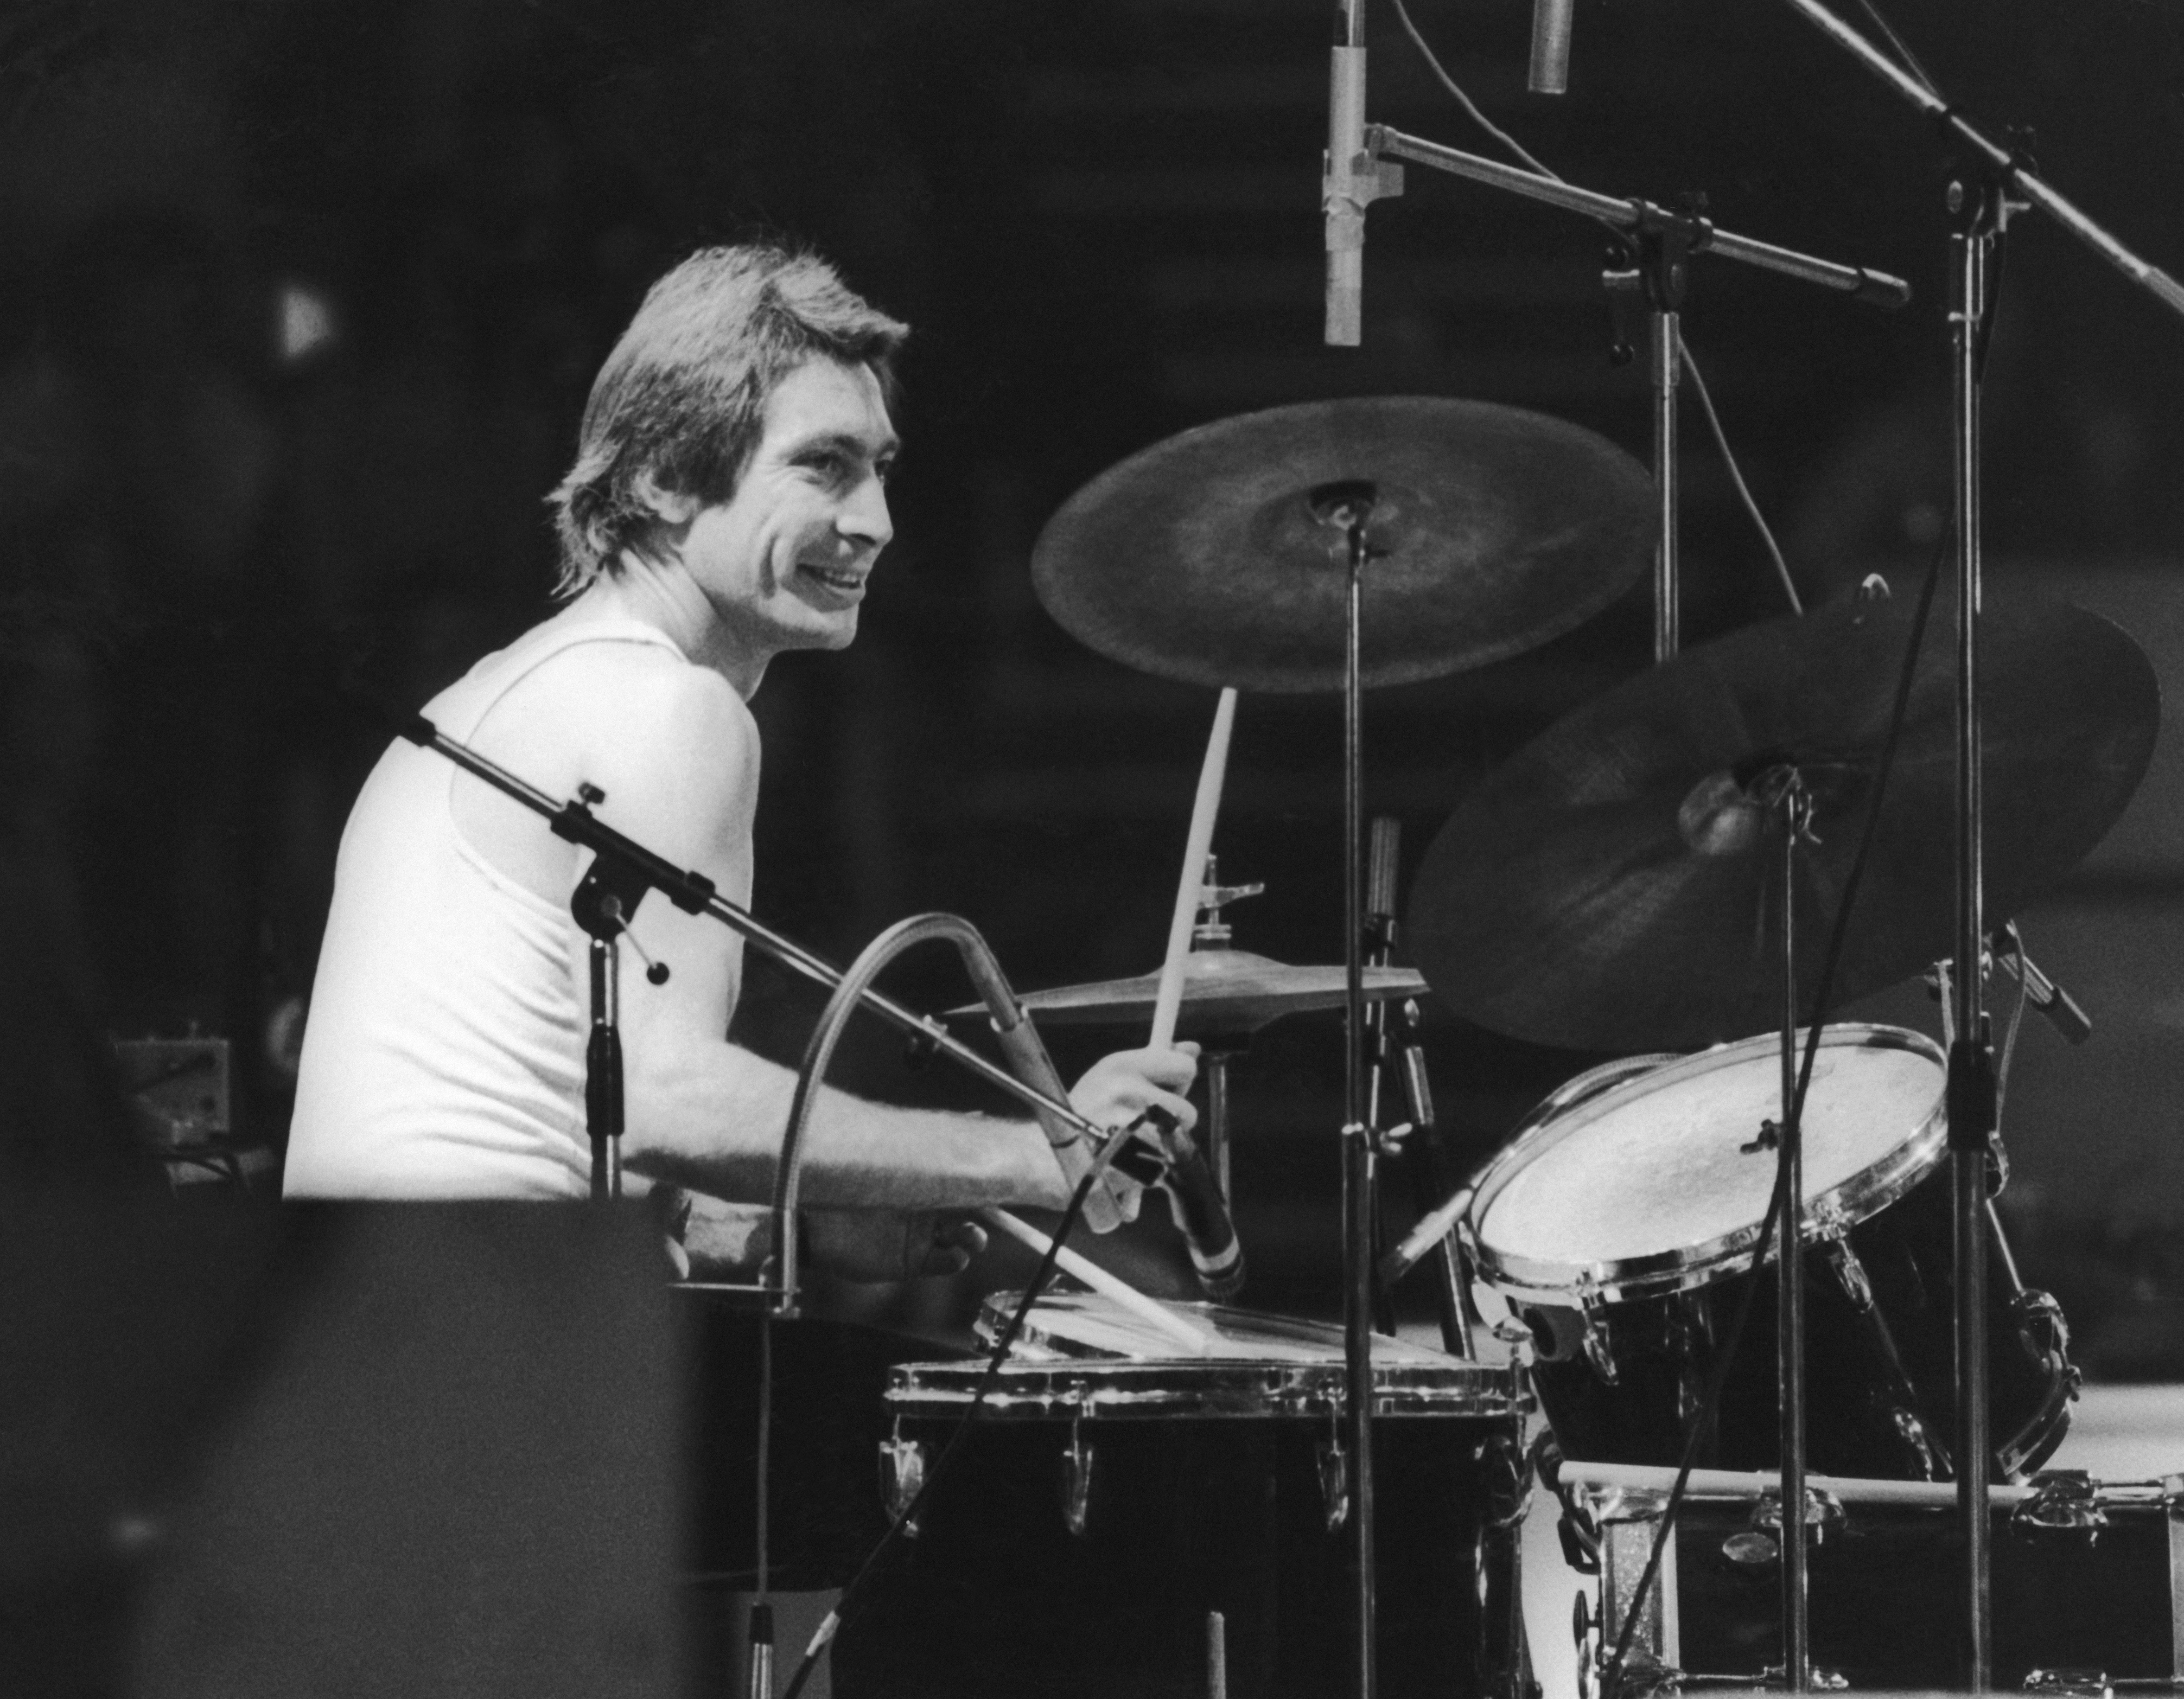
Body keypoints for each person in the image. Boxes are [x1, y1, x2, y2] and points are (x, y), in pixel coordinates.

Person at [283, 243, 1197, 1276]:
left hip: (374, 1327)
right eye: (823, 466)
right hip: (473, 1343)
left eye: (880, 469)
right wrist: (1034, 1155)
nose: (876, 524)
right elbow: (665, 1098)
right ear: (665, 476)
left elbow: (549, 1118)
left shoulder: (511, 690)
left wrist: (760, 1226)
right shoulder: (668, 705)